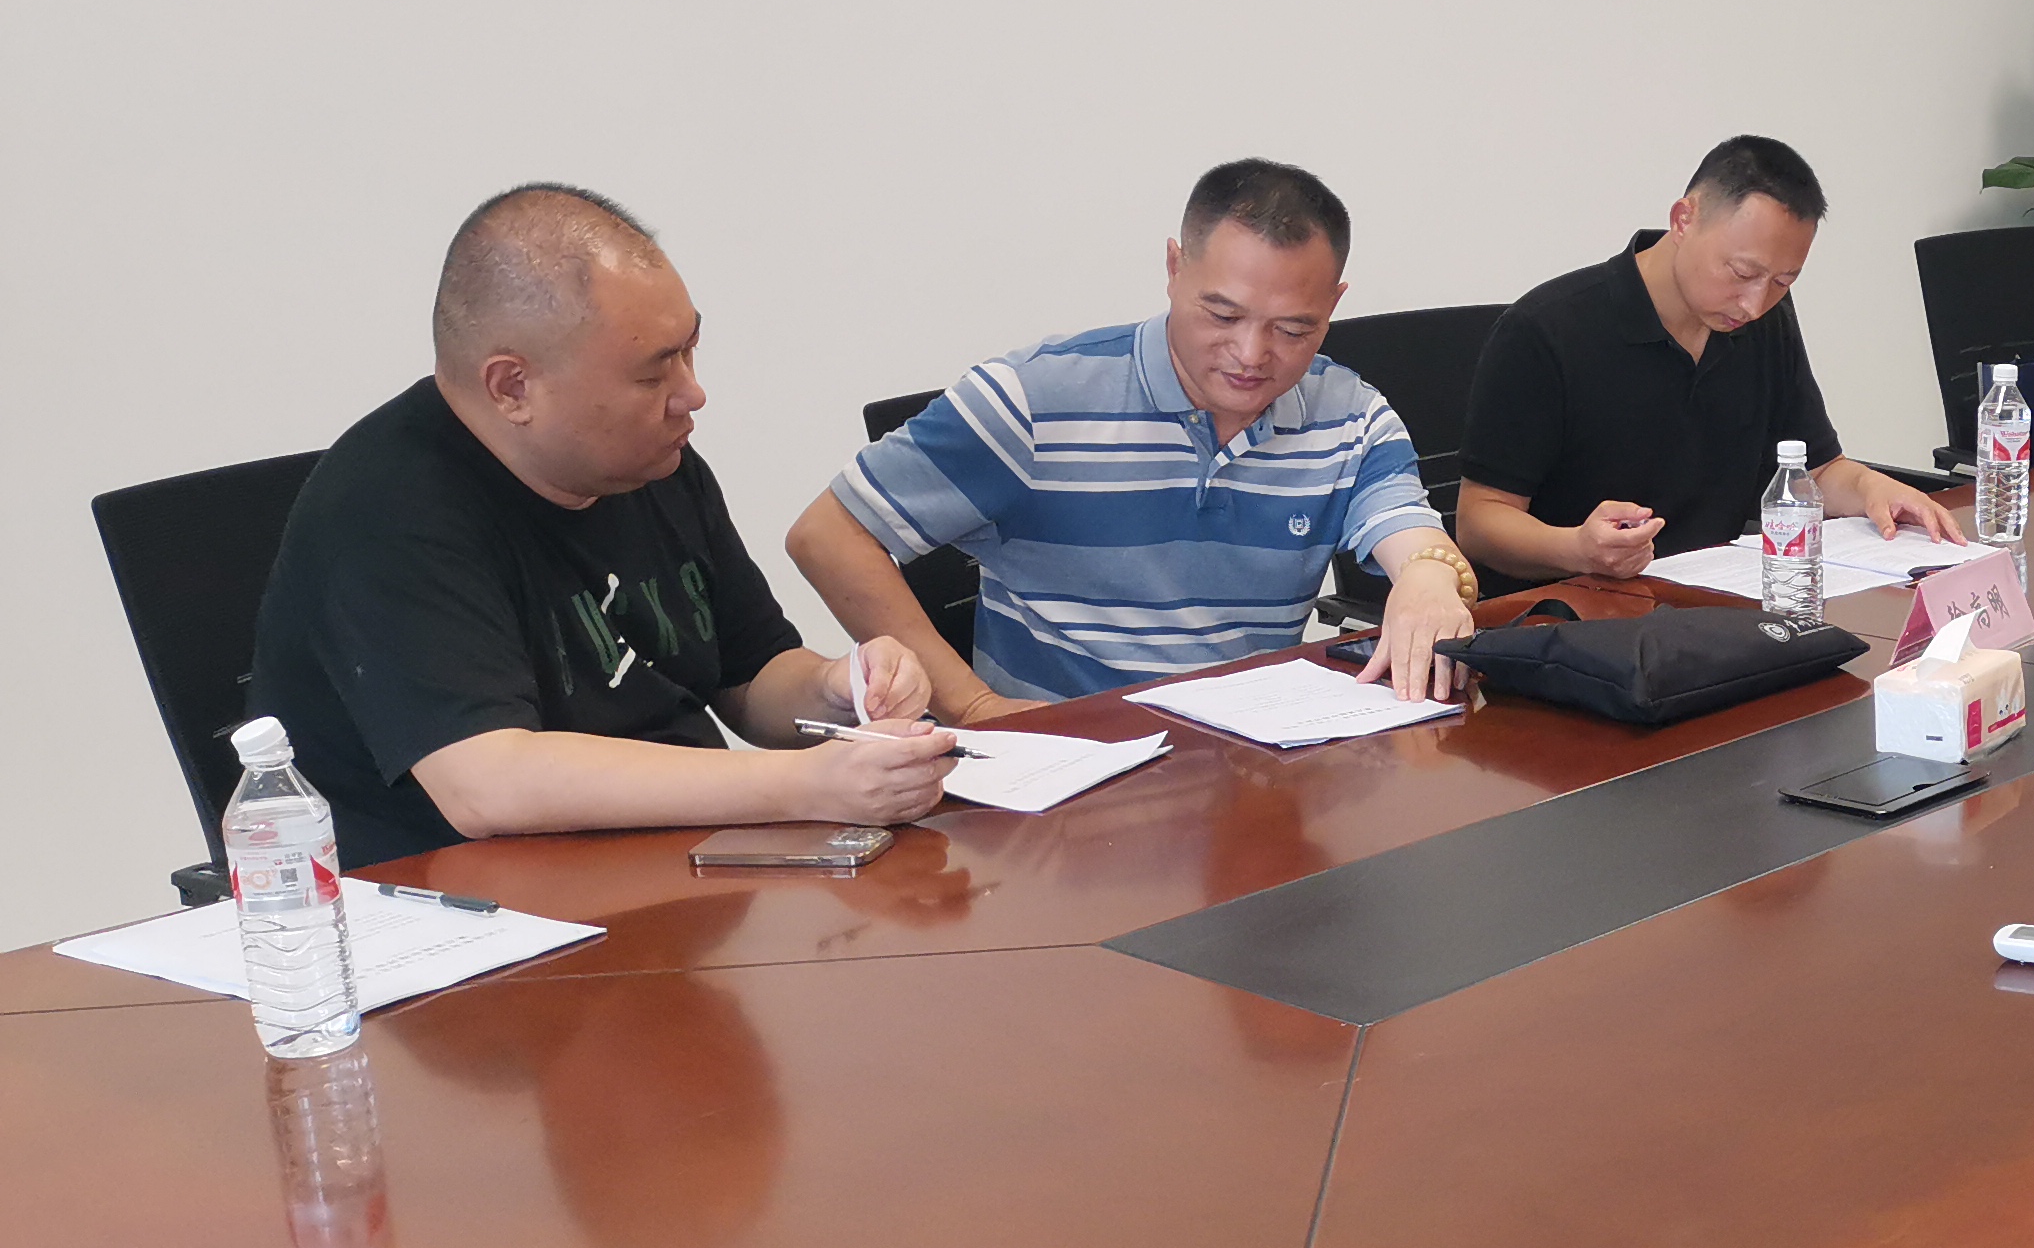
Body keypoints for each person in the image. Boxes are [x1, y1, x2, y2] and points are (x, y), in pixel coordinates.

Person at [250, 184, 954, 868]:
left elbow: (749, 676)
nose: (691, 393)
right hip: (466, 899)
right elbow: (486, 783)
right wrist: (805, 785)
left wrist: (837, 689)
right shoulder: (387, 512)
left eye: (689, 350)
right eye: (652, 376)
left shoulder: (651, 465)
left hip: (671, 866)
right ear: (513, 388)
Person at [789, 159, 1471, 715]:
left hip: (1247, 767)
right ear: (1174, 268)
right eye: (1222, 315)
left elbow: (1407, 529)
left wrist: (1429, 577)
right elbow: (827, 535)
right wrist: (972, 706)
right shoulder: (1034, 399)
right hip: (1065, 772)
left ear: (1334, 304)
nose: (1251, 354)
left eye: (1293, 329)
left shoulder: (1348, 414)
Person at [1460, 136, 1961, 581]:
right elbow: (1479, 520)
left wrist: (1874, 489)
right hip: (1573, 611)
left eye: (1783, 281)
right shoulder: (1547, 331)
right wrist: (1578, 550)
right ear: (1684, 219)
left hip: (1713, 601)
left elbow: (1818, 471)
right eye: (1742, 273)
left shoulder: (1765, 322)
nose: (1755, 304)